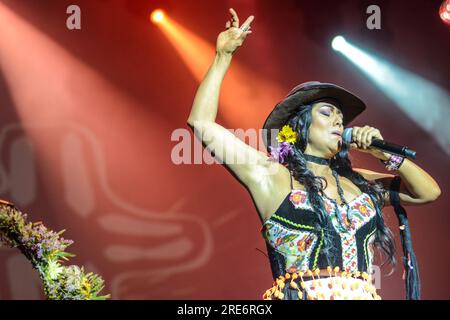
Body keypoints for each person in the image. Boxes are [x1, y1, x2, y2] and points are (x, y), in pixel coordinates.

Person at [187, 8, 441, 300]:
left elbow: (427, 192)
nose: (338, 121)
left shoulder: (360, 182)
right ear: (300, 126)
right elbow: (202, 123)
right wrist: (223, 57)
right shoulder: (272, 177)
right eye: (327, 112)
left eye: (341, 118)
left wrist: (382, 154)